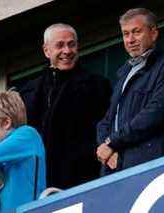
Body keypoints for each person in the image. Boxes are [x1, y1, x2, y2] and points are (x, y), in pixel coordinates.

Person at [96, 8, 164, 175]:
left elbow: (155, 113)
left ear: (153, 33)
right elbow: (105, 121)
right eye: (126, 34)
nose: (130, 39)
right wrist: (105, 147)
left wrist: (112, 142)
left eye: (136, 32)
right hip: (115, 169)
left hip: (149, 168)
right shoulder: (123, 74)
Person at [20, 23, 112, 189]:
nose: (67, 51)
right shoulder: (28, 92)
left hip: (81, 180)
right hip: (37, 184)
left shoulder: (97, 85)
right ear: (46, 50)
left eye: (72, 44)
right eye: (60, 45)